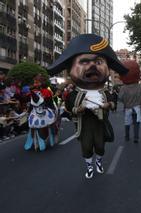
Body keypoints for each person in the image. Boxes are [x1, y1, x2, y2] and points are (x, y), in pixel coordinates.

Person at [48, 34, 128, 179]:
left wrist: (108, 104)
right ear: (70, 68)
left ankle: (98, 161)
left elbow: (113, 103)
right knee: (86, 147)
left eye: (98, 62)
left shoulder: (105, 92)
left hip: (100, 124)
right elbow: (69, 108)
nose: (92, 66)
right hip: (84, 124)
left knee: (100, 146)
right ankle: (89, 166)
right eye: (84, 62)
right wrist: (78, 109)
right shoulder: (74, 93)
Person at [118, 60, 141, 143]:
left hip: (127, 107)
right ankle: (136, 137)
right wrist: (140, 103)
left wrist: (125, 102)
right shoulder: (140, 86)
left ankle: (127, 136)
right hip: (137, 107)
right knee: (136, 124)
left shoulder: (123, 88)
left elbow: (120, 98)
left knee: (127, 123)